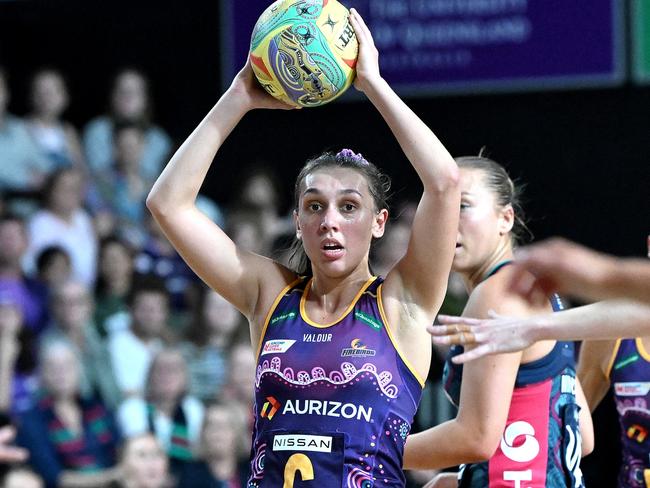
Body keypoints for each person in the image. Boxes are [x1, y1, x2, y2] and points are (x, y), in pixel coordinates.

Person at [146, 9, 460, 487]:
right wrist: (236, 99)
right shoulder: (269, 295)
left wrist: (372, 84)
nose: (329, 221)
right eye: (314, 207)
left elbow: (444, 183)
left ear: (380, 224)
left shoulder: (403, 303)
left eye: (349, 207)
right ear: (297, 222)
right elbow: (167, 204)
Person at [402, 155, 593, 487]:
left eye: (463, 206)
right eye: (440, 206)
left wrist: (369, 447)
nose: (448, 220)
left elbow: (475, 438)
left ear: (505, 219)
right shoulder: (536, 292)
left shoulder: (496, 296)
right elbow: (582, 436)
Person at [16, 341, 121, 488]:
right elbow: (55, 478)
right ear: (41, 375)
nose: (61, 373)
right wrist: (112, 476)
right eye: (52, 367)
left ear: (79, 370)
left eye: (67, 366)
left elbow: (121, 449)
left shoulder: (98, 408)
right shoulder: (32, 419)